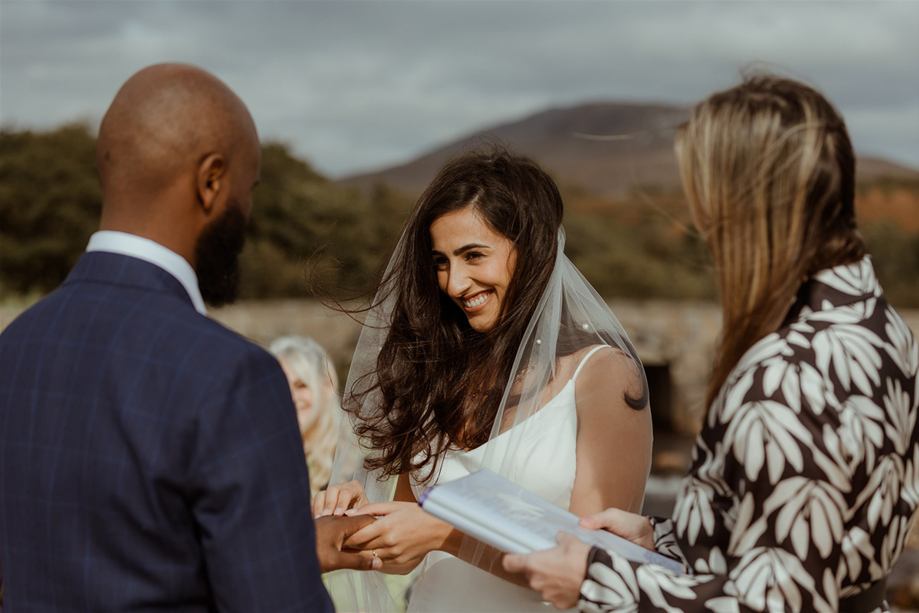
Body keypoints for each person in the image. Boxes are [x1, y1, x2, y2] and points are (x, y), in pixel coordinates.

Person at [503, 75, 919, 613]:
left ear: (745, 203)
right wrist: (664, 538)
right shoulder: (880, 327)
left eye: (707, 202)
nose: (702, 225)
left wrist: (595, 582)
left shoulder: (788, 373)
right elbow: (800, 536)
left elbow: (780, 604)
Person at [0, 63, 377, 612]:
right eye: (246, 192)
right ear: (211, 181)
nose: (246, 215)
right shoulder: (231, 376)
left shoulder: (16, 347)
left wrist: (288, 549)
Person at [315, 148, 654, 611]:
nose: (454, 283)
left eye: (474, 255)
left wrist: (446, 533)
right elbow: (399, 558)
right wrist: (359, 518)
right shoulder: (437, 378)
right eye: (441, 261)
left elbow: (596, 572)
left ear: (533, 250)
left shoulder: (603, 376)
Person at [270, 335, 342, 498]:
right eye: (280, 386)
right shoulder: (268, 455)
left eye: (301, 385)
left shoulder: (354, 459)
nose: (290, 397)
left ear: (327, 386)